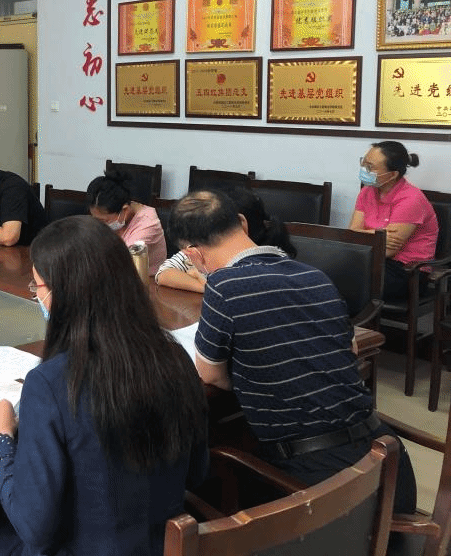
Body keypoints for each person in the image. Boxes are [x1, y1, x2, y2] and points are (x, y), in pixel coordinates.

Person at [169, 190, 417, 513]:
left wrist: (251, 378)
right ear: (242, 223)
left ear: (193, 254)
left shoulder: (223, 286)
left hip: (321, 492)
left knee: (205, 477)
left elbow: (211, 375)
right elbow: (350, 350)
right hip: (388, 465)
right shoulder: (315, 276)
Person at [0, 216, 207, 556]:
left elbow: (34, 528)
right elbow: (197, 473)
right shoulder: (174, 357)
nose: (37, 296)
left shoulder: (50, 384)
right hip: (162, 547)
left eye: (37, 286)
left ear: (62, 295)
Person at [156, 187, 296, 292]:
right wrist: (206, 287)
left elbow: (238, 290)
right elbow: (164, 273)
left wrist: (207, 283)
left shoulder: (271, 262)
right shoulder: (199, 248)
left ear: (242, 224)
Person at [349, 141, 437, 304]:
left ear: (392, 174)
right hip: (373, 259)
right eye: (363, 163)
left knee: (349, 281)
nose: (364, 169)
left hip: (407, 271)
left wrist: (364, 236)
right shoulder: (367, 191)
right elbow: (352, 234)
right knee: (333, 271)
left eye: (370, 167)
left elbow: (388, 251)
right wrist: (379, 236)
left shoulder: (411, 199)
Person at [86, 169, 167, 275]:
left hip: (144, 280)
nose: (100, 225)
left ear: (125, 210)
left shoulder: (149, 225)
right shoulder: (122, 207)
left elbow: (117, 262)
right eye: (96, 219)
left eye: (104, 220)